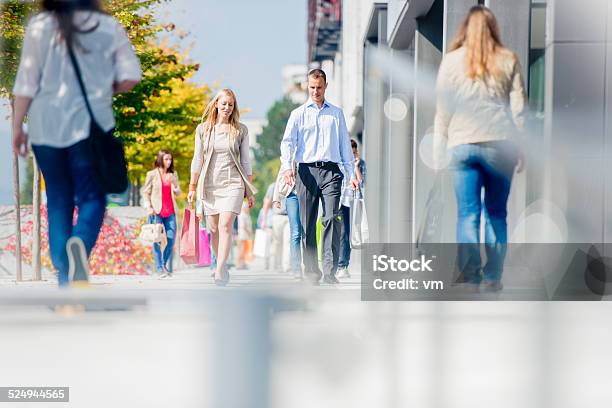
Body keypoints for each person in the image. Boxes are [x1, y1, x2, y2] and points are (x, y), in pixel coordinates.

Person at [11, 0, 141, 287]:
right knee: (92, 197)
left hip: (46, 126)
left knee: (58, 200)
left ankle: (64, 280)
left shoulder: (41, 26)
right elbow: (132, 75)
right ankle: (80, 242)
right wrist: (104, 89)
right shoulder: (107, 27)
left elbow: (26, 81)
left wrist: (17, 126)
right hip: (90, 126)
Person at [433, 5, 526, 292]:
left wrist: (439, 147)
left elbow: (442, 110)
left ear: (465, 29)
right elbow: (519, 109)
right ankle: (492, 277)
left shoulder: (451, 62)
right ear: (493, 28)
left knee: (468, 213)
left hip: (461, 144)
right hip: (500, 143)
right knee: (496, 213)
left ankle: (470, 277)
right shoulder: (508, 59)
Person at [280, 69, 359, 285]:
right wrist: (287, 167)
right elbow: (288, 142)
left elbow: (344, 144)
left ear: (325, 87)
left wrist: (351, 173)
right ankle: (312, 272)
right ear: (308, 86)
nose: (316, 91)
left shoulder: (336, 113)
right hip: (306, 172)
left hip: (332, 171)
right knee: (307, 224)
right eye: (312, 87)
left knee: (331, 218)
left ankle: (329, 271)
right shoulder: (298, 114)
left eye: (319, 87)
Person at [187, 89, 256, 286]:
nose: (227, 108)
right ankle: (221, 263)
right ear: (216, 103)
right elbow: (197, 159)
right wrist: (192, 186)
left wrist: (248, 190)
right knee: (214, 228)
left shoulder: (240, 130)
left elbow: (246, 161)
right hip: (210, 185)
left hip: (233, 183)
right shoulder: (203, 129)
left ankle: (219, 269)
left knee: (226, 225)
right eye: (224, 103)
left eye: (231, 104)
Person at [142, 150, 181, 278]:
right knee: (157, 241)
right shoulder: (152, 174)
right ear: (160, 159)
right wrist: (149, 207)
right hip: (156, 211)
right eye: (166, 159)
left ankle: (162, 265)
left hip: (170, 212)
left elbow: (178, 193)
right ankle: (160, 269)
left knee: (171, 239)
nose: (169, 162)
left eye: (170, 159)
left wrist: (175, 186)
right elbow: (145, 192)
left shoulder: (173, 174)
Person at [337, 139, 367, 278]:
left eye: (354, 153)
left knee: (347, 233)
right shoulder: (339, 162)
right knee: (339, 233)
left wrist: (355, 167)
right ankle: (338, 264)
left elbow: (362, 183)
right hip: (340, 200)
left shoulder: (361, 164)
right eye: (351, 153)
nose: (353, 155)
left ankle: (343, 265)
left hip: (353, 201)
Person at [272, 172, 303, 280]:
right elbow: (280, 175)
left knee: (295, 237)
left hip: (308, 194)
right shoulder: (289, 158)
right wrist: (276, 198)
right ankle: (294, 267)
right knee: (293, 235)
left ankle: (303, 266)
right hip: (292, 195)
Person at [236, 202, 253, 270]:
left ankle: (242, 263)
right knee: (241, 250)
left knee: (243, 250)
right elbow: (243, 226)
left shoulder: (246, 215)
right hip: (242, 235)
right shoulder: (242, 215)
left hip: (244, 235)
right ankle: (239, 264)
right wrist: (249, 233)